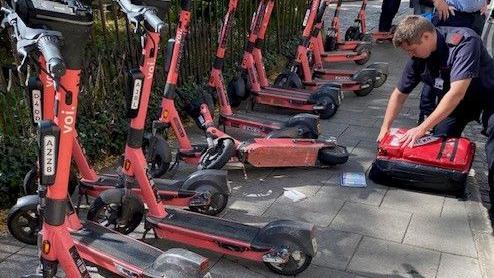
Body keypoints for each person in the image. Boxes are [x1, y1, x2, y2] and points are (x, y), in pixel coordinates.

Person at [377, 15, 494, 218]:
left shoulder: (465, 42)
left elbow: (457, 92)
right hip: (456, 105)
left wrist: (421, 127)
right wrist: (384, 129)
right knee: (437, 143)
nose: (410, 55)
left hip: (487, 97)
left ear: (427, 36)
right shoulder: (419, 56)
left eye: (412, 49)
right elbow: (399, 94)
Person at [418, 0, 490, 124]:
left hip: (476, 17)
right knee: (435, 68)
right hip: (451, 15)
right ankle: (427, 113)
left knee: (463, 68)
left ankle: (451, 115)